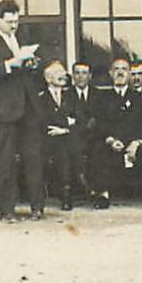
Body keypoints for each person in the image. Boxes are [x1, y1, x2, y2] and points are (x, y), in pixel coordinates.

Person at [0, 0, 45, 220]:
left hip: (29, 106)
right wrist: (10, 63)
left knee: (33, 157)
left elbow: (29, 71)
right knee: (6, 160)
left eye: (16, 21)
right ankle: (7, 210)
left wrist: (32, 64)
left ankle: (37, 207)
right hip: (5, 107)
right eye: (9, 21)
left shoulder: (22, 39)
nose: (14, 26)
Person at [88, 57, 142, 211]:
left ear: (129, 74)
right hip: (111, 142)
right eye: (116, 69)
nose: (120, 73)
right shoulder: (102, 98)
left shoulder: (141, 98)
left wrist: (136, 142)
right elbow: (99, 124)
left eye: (124, 70)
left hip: (134, 143)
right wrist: (110, 140)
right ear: (110, 73)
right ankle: (103, 194)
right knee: (97, 148)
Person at [33, 61, 88, 211]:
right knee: (62, 146)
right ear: (48, 78)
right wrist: (67, 122)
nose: (63, 76)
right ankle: (71, 186)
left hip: (67, 137)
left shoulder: (71, 95)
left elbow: (81, 119)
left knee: (64, 146)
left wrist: (64, 129)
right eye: (58, 73)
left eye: (64, 72)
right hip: (46, 138)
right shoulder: (40, 97)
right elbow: (43, 120)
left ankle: (66, 192)